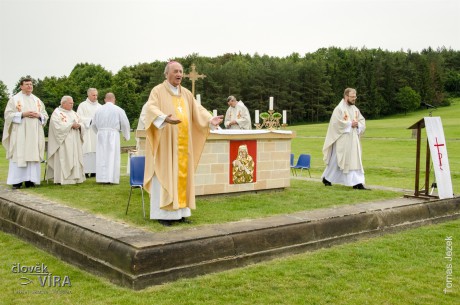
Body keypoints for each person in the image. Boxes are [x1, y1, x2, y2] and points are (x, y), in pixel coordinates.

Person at [144, 61, 223, 226]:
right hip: (166, 143)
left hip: (184, 145)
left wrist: (209, 119)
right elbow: (150, 108)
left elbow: (198, 110)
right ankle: (164, 215)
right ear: (167, 74)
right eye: (175, 71)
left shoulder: (186, 93)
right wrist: (164, 118)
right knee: (166, 173)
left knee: (182, 176)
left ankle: (181, 213)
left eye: (181, 71)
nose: (179, 74)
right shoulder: (157, 91)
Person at [2, 77, 48, 189]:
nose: (29, 86)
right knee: (20, 154)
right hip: (20, 133)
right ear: (21, 86)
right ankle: (17, 181)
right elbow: (8, 115)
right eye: (27, 84)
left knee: (32, 154)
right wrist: (23, 114)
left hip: (34, 133)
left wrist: (39, 116)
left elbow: (45, 116)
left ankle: (30, 180)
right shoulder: (14, 99)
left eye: (31, 84)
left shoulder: (37, 100)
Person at [321, 88, 368, 190]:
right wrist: (350, 124)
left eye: (355, 97)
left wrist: (358, 125)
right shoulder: (339, 109)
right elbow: (336, 123)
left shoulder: (355, 109)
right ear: (346, 96)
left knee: (354, 160)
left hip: (353, 139)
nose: (354, 99)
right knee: (336, 161)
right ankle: (327, 177)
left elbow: (362, 120)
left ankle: (357, 183)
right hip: (342, 139)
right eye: (352, 97)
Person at [91, 92, 130, 184]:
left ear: (105, 100)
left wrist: (99, 132)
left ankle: (101, 178)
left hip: (101, 134)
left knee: (102, 155)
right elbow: (125, 123)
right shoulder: (118, 109)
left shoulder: (98, 110)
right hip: (113, 134)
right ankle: (111, 178)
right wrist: (126, 135)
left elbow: (93, 124)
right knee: (112, 155)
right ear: (114, 99)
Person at [46, 96, 85, 185]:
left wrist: (79, 126)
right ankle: (63, 179)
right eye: (70, 103)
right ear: (63, 103)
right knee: (64, 158)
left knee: (75, 157)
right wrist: (70, 126)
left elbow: (82, 123)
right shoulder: (57, 113)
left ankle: (76, 178)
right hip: (63, 142)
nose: (72, 104)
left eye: (72, 103)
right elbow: (57, 127)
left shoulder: (74, 113)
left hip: (75, 141)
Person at [77, 88, 101, 178]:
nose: (95, 97)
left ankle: (95, 171)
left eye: (96, 95)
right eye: (93, 95)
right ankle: (86, 171)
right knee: (86, 150)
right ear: (88, 95)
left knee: (96, 150)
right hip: (87, 131)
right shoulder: (82, 105)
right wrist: (90, 121)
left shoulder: (100, 107)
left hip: (96, 132)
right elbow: (79, 117)